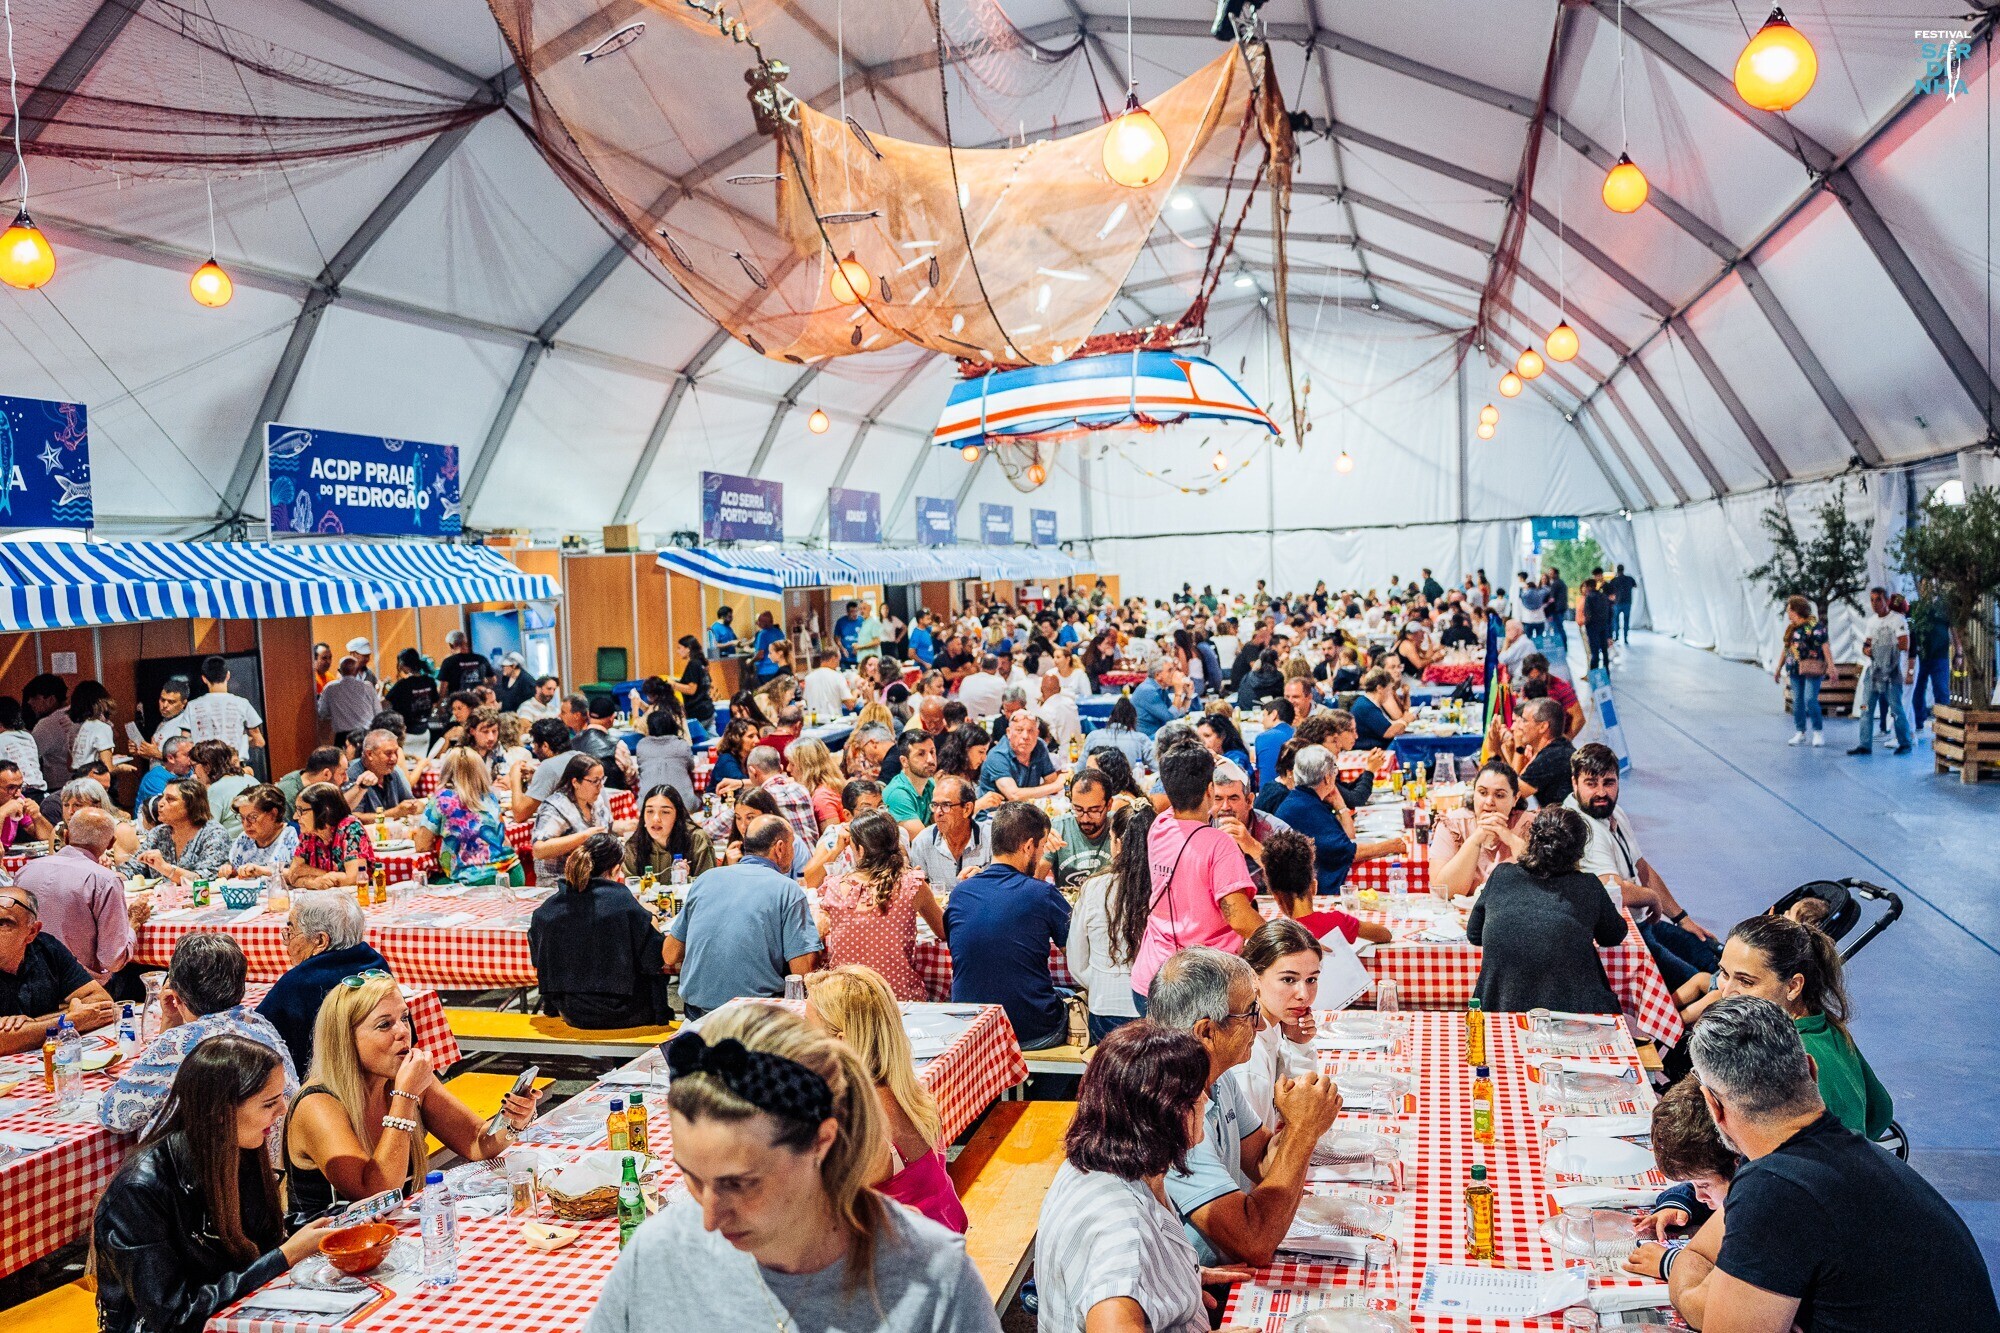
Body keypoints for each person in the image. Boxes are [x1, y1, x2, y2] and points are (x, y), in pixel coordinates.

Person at [589, 1006, 998, 1333]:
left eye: (741, 1184)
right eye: (693, 1179)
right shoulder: (657, 1255)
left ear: (822, 1141)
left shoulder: (931, 1279)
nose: (709, 1218)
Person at [1662, 996, 2000, 1333]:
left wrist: (1684, 1285)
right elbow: (1699, 1254)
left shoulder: (1775, 1187)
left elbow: (1717, 1314)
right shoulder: (1849, 1153)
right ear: (1811, 1069)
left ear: (1713, 1106)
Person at [93, 1036, 338, 1333]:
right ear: (221, 1112)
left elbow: (261, 1234)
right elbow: (174, 1317)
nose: (283, 1110)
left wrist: (339, 1220)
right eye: (269, 1103)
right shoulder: (139, 1191)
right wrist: (285, 1257)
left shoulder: (239, 1148)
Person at [282, 973, 540, 1223]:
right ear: (346, 1040)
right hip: (328, 1254)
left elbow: (476, 1142)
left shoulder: (404, 1078)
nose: (403, 1032)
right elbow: (376, 1195)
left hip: (394, 1237)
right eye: (384, 1024)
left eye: (404, 1018)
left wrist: (513, 1121)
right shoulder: (317, 1104)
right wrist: (405, 1097)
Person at [1035, 1021, 1231, 1333]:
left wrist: (1180, 1280)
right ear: (1163, 1114)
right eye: (1196, 1095)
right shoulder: (1124, 1226)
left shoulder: (1091, 1161)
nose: (1206, 1101)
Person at [1151, 946, 1343, 1266]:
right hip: (1193, 1288)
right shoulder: (1170, 1111)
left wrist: (1300, 1119)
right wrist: (1303, 1129)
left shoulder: (1216, 1076)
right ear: (1207, 1032)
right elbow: (1254, 1243)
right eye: (1249, 1013)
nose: (1258, 1025)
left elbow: (1262, 1162)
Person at [1692, 914, 1893, 1140]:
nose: (1726, 992)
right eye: (1724, 974)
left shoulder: (1793, 1058)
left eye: (1746, 982)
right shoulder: (1827, 1027)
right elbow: (1881, 1110)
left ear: (1793, 986)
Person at [803, 965, 968, 1232]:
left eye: (808, 1031)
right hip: (942, 1238)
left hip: (911, 1261)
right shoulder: (905, 1090)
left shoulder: (861, 1126)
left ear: (841, 1044)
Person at [101, 933, 295, 1134]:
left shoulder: (181, 1042)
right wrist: (171, 1023)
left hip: (219, 1162)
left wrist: (170, 1027)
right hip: (277, 1157)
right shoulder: (260, 1024)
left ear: (176, 996)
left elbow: (113, 1116)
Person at [1565, 742, 1718, 989]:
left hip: (1643, 925)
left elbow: (1641, 867)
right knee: (1699, 984)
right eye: (1591, 783)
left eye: (1609, 782)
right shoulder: (1582, 827)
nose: (1601, 792)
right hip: (1620, 940)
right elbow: (1614, 889)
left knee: (1710, 955)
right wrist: (1651, 899)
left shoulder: (1613, 813)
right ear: (1574, 783)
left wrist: (1681, 917)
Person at [1129, 746, 1263, 1003]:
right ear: (1211, 791)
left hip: (1152, 978)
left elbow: (1167, 800)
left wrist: (1187, 768)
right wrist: (1284, 939)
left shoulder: (1160, 827)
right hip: (1199, 985)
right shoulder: (1218, 843)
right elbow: (1240, 919)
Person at [1464, 806, 1628, 1014]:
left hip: (1500, 1014)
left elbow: (1474, 934)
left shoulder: (1502, 875)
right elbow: (1613, 935)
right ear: (1579, 850)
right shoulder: (1587, 886)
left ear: (1531, 840)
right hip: (1573, 1020)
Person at [943, 803, 1072, 1051]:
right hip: (1031, 1030)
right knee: (1071, 999)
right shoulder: (1042, 894)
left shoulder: (960, 893)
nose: (1041, 853)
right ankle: (1047, 1089)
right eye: (1042, 847)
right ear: (1028, 847)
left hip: (971, 1028)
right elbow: (1077, 956)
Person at [664, 816, 821, 1019]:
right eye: (792, 845)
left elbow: (669, 954)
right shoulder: (788, 890)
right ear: (780, 848)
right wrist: (816, 930)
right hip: (756, 1021)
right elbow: (802, 973)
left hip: (697, 1017)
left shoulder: (706, 879)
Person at [529, 833, 670, 1029]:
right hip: (625, 1011)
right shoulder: (623, 902)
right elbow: (655, 960)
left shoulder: (552, 906)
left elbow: (538, 959)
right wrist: (652, 918)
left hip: (571, 1011)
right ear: (616, 869)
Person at [812, 811, 944, 1002]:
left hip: (846, 1001)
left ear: (861, 850)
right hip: (899, 999)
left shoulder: (833, 887)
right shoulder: (911, 885)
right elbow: (943, 931)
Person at [256, 890, 389, 1072]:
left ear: (320, 940)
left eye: (291, 931)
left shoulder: (298, 984)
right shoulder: (376, 963)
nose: (287, 942)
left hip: (322, 1086)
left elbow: (257, 1042)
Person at [13, 807, 137, 985]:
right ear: (111, 843)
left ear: (66, 836)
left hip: (28, 981)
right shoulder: (105, 880)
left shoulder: (25, 870)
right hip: (81, 985)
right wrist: (133, 926)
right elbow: (113, 960)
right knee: (141, 976)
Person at [1227, 920, 1324, 1129]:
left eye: (1311, 980)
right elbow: (1256, 1154)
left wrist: (1298, 1044)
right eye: (1289, 980)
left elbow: (1294, 1101)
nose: (1304, 995)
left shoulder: (1271, 1024)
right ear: (1253, 977)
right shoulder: (1249, 1059)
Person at [0, 884, 118, 1052]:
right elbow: (3, 1042)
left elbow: (103, 1004)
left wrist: (32, 1025)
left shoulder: (46, 948)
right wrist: (71, 1019)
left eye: (3, 924)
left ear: (32, 932)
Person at [1067, 804, 1146, 1045]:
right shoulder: (1165, 886)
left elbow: (1077, 958)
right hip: (1154, 1005)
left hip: (1105, 1005)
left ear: (1118, 843)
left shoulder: (1095, 887)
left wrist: (1102, 980)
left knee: (1109, 1080)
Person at [1260, 828, 1388, 945]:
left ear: (1276, 896)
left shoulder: (1278, 937)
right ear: (1314, 886)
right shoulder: (1338, 922)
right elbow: (1385, 935)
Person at [413, 747, 518, 885]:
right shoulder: (489, 796)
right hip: (513, 872)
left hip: (474, 879)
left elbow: (422, 846)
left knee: (427, 883)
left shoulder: (442, 799)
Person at [1429, 759, 1532, 898]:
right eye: (1483, 793)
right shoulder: (1453, 824)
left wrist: (1509, 837)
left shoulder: (1529, 825)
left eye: (1499, 795)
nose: (1489, 802)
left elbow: (1542, 880)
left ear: (1515, 798)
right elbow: (1444, 891)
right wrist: (1476, 839)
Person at [128, 778, 231, 887]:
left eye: (170, 799)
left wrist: (165, 867)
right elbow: (133, 868)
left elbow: (205, 879)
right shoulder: (159, 833)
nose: (160, 803)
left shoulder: (213, 833)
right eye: (162, 797)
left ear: (191, 805)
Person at [1850, 585, 1913, 755]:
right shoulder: (1871, 622)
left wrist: (1885, 651)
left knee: (1896, 709)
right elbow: (1866, 644)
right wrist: (1868, 650)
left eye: (1878, 600)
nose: (1875, 603)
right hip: (1874, 672)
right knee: (1865, 707)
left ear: (1886, 601)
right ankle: (1864, 744)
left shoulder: (1898, 620)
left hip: (1892, 672)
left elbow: (1904, 644)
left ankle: (1905, 743)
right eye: (1872, 600)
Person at [531, 753, 614, 884]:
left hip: (591, 880)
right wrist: (584, 837)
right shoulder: (556, 806)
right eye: (594, 781)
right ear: (575, 782)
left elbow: (605, 829)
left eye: (602, 780)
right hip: (559, 884)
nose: (600, 786)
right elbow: (539, 850)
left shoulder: (596, 802)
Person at [283, 783, 377, 890]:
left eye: (301, 811)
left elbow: (354, 879)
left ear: (324, 810)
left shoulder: (351, 828)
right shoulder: (308, 833)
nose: (295, 816)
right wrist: (314, 883)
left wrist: (311, 871)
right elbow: (293, 875)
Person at [908, 774, 990, 889]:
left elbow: (1005, 886)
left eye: (946, 805)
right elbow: (921, 891)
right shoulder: (922, 842)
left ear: (967, 809)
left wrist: (984, 879)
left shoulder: (991, 839)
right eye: (935, 805)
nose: (938, 812)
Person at [1494, 696, 1574, 808]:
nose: (1519, 727)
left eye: (1524, 721)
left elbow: (1509, 796)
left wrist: (1493, 748)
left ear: (1543, 727)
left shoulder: (1550, 758)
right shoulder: (1559, 747)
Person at [624, 783, 716, 880]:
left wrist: (684, 879)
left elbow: (709, 884)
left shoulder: (697, 839)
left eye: (665, 812)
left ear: (677, 816)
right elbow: (631, 886)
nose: (656, 818)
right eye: (650, 811)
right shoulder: (634, 845)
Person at [215, 784, 300, 880]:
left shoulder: (295, 834)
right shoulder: (244, 838)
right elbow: (234, 868)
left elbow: (299, 875)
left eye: (253, 817)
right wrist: (228, 870)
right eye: (242, 818)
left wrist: (262, 871)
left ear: (273, 814)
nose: (246, 824)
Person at [979, 708, 1064, 802]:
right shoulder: (997, 755)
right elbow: (1014, 795)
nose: (1025, 736)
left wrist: (1027, 794)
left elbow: (1051, 780)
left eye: (1031, 730)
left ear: (1037, 733)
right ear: (1008, 733)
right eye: (1019, 730)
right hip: (994, 814)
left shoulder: (1039, 745)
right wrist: (1056, 786)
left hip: (1026, 810)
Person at [343, 728, 420, 817]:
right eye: (388, 753)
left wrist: (413, 806)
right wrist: (394, 813)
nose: (394, 758)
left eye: (396, 752)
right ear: (369, 754)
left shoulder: (393, 773)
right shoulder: (352, 775)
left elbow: (413, 802)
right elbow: (355, 817)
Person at [882, 727, 936, 837]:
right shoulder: (897, 794)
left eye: (932, 752)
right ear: (904, 761)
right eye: (921, 754)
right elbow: (925, 840)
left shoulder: (930, 784)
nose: (930, 759)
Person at [1082, 695, 1155, 768]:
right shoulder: (1141, 739)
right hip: (1128, 778)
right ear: (1134, 720)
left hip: (1098, 778)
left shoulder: (1093, 737)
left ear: (1110, 717)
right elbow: (1157, 767)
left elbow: (1080, 768)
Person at [1348, 668, 1407, 751]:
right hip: (1371, 750)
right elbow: (1389, 732)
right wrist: (1405, 721)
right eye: (1389, 689)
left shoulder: (1368, 703)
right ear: (1379, 688)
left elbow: (1385, 725)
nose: (1390, 692)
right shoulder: (1366, 707)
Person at [1131, 659, 1189, 737]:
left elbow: (1176, 713)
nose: (1174, 674)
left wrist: (1188, 696)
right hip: (1146, 737)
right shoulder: (1148, 690)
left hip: (1157, 734)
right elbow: (1169, 717)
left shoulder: (1161, 689)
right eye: (1170, 670)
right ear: (1158, 675)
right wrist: (1178, 692)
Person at [1252, 698, 1294, 789]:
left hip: (1268, 796)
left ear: (1274, 714)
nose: (1262, 721)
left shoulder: (1262, 738)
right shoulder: (1300, 736)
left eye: (1264, 715)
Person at [437, 629, 492, 694]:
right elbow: (493, 680)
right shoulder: (482, 659)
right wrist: (483, 690)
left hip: (458, 701)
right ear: (466, 642)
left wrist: (440, 701)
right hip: (478, 700)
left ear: (452, 645)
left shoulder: (448, 662)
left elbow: (442, 688)